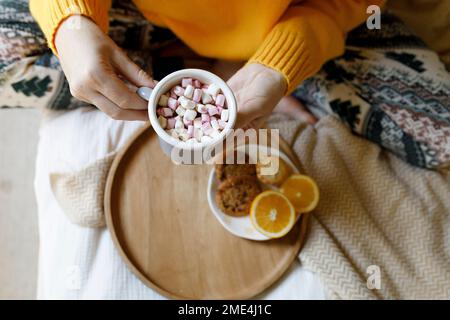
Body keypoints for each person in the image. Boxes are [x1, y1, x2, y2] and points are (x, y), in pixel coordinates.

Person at [28, 0, 383, 128]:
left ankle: (224, 66)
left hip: (286, 24)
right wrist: (71, 24)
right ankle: (192, 64)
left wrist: (279, 61)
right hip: (139, 13)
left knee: (436, 136)